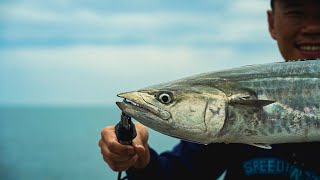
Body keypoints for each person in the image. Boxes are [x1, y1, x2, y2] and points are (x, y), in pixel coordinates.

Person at [98, 0, 320, 179]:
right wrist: (141, 160)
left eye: (165, 99)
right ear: (272, 22)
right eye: (295, 13)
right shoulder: (223, 131)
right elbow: (177, 174)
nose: (312, 27)